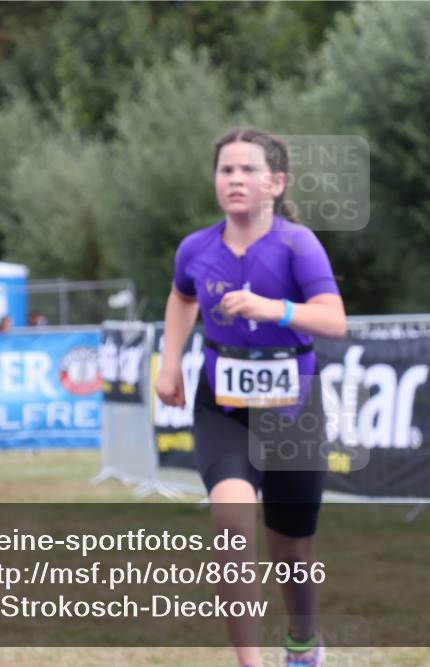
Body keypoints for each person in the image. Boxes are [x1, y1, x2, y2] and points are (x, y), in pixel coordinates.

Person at [154, 128, 346, 667]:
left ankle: (303, 644)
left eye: (248, 170)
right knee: (231, 523)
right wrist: (171, 362)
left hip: (292, 412)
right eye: (225, 170)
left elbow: (334, 320)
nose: (235, 179)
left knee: (291, 552)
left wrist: (275, 310)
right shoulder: (196, 247)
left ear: (276, 182)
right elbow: (180, 295)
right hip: (224, 410)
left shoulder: (297, 244)